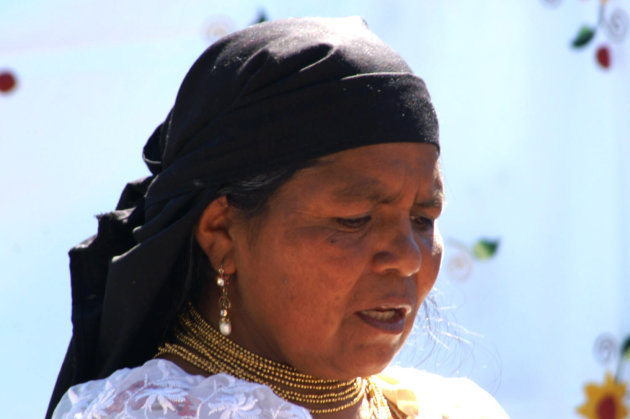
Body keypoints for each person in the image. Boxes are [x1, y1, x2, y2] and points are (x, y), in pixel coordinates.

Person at [47, 16, 509, 419]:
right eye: (355, 219)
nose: (407, 258)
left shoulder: (453, 410)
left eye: (423, 218)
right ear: (222, 233)